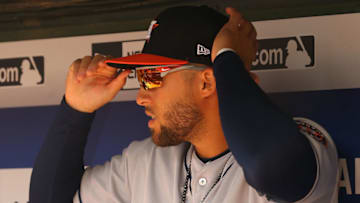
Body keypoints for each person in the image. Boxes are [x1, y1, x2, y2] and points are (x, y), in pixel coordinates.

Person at [29, 5, 339, 203]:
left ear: (207, 81)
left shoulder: (303, 142)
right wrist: (75, 111)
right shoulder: (146, 162)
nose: (140, 96)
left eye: (152, 77)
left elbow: (269, 165)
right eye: (139, 78)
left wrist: (226, 60)